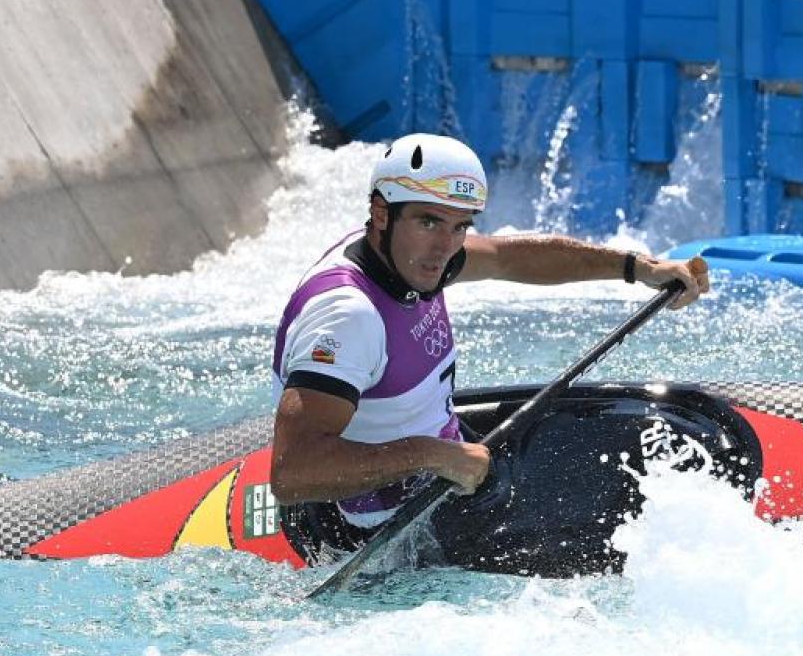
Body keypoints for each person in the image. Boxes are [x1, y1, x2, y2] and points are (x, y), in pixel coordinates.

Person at [269, 133, 710, 571]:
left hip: (445, 467)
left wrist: (640, 268)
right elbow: (292, 473)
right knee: (609, 549)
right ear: (381, 213)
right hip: (384, 529)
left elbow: (506, 257)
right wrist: (431, 454)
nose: (445, 246)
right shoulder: (349, 316)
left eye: (460, 225)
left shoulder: (409, 258)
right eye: (429, 222)